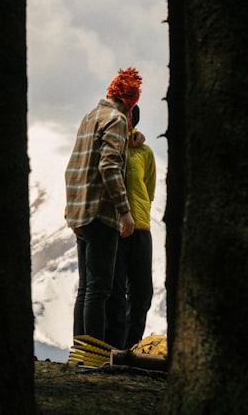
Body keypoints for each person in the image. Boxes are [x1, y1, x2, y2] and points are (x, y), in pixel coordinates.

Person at [65, 67, 139, 345]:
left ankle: (80, 353)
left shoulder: (89, 117)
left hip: (81, 211)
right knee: (99, 289)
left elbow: (74, 165)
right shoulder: (116, 119)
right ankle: (93, 357)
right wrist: (124, 210)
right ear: (129, 103)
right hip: (101, 211)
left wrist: (71, 212)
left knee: (86, 288)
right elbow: (109, 166)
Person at [105, 104, 156, 350]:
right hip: (115, 226)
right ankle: (114, 348)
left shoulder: (144, 152)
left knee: (143, 292)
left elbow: (149, 190)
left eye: (130, 115)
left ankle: (132, 347)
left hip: (142, 227)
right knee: (116, 293)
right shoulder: (110, 147)